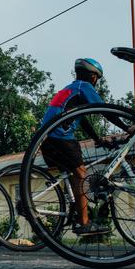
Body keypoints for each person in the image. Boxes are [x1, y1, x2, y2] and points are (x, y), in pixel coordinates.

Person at [39, 58, 109, 237]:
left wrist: (96, 138)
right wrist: (127, 127)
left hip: (46, 139)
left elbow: (82, 119)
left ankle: (75, 210)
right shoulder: (83, 88)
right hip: (60, 138)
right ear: (93, 77)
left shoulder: (69, 89)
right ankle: (84, 222)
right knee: (81, 174)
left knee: (72, 174)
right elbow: (105, 110)